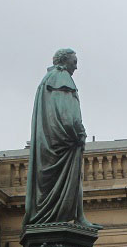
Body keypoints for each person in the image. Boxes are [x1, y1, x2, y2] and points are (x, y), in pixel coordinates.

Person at [24, 48, 89, 229]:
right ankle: (78, 217)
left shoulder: (47, 80)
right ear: (64, 61)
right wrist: (79, 132)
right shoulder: (61, 78)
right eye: (74, 62)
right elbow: (68, 113)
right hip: (63, 140)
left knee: (72, 179)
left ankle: (78, 216)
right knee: (74, 177)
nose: (76, 67)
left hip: (50, 140)